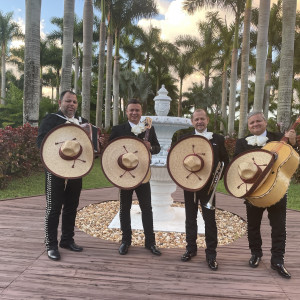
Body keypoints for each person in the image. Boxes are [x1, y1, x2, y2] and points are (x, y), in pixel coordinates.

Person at [234, 111, 298, 279]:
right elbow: (236, 165)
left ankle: (277, 260)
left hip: (277, 189)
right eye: (251, 123)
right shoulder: (242, 143)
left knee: (278, 227)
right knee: (253, 226)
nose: (255, 125)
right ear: (248, 126)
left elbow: (292, 154)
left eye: (258, 121)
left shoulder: (279, 137)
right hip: (253, 191)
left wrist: (293, 142)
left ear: (265, 122)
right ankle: (256, 254)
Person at [37, 90, 87, 261]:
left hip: (76, 169)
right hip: (55, 168)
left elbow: (88, 149)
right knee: (53, 207)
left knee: (72, 206)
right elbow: (40, 142)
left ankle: (67, 240)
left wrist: (96, 144)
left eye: (74, 102)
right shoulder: (51, 119)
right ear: (60, 102)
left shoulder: (84, 123)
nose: (71, 104)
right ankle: (51, 244)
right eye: (68, 101)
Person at [108, 99, 161, 256]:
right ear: (126, 111)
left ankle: (150, 243)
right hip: (125, 175)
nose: (134, 113)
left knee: (147, 208)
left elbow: (157, 148)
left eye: (137, 110)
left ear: (141, 112)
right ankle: (126, 241)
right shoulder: (118, 129)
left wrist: (150, 146)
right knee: (125, 208)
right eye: (131, 110)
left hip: (143, 173)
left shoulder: (149, 129)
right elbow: (111, 151)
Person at [180, 109, 229, 271]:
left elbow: (225, 161)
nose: (199, 122)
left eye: (202, 119)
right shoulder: (184, 138)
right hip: (190, 185)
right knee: (190, 217)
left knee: (209, 220)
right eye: (196, 119)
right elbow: (177, 160)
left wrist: (216, 180)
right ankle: (191, 249)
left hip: (209, 187)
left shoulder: (218, 139)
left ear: (207, 120)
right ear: (192, 122)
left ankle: (211, 255)